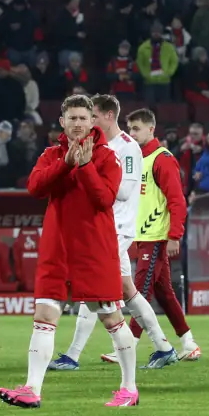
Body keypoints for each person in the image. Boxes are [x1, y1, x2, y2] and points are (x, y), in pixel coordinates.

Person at [0, 94, 139, 408]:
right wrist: (66, 164)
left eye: (82, 118)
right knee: (43, 316)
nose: (77, 124)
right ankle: (32, 389)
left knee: (113, 319)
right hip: (57, 248)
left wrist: (85, 166)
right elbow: (35, 188)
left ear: (92, 122)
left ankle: (129, 388)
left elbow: (104, 199)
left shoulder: (107, 157)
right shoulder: (52, 154)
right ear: (62, 122)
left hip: (95, 250)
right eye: (71, 118)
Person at [48, 97, 179, 372]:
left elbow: (125, 192)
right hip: (100, 227)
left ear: (109, 116)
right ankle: (164, 347)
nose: (88, 122)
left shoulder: (128, 148)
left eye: (92, 116)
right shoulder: (96, 145)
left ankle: (73, 355)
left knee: (93, 288)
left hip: (116, 229)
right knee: (127, 291)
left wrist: (91, 173)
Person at [117, 107, 201, 363]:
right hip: (141, 236)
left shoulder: (162, 158)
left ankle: (128, 344)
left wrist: (175, 235)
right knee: (163, 291)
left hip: (156, 236)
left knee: (138, 290)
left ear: (151, 129)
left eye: (136, 129)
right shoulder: (135, 158)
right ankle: (188, 342)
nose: (131, 133)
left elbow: (177, 201)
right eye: (129, 129)